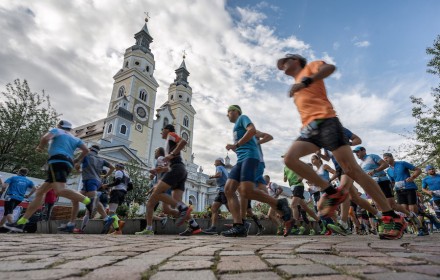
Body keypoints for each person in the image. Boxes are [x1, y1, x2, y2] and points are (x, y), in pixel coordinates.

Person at [277, 53, 406, 240]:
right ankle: (330, 192)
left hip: (326, 121)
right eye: (280, 66)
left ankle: (391, 216)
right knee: (290, 158)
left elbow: (329, 69)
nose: (282, 67)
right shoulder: (295, 84)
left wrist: (306, 82)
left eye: (284, 62)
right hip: (309, 129)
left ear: (296, 60)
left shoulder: (310, 67)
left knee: (352, 169)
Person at [4, 120, 91, 233]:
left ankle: (89, 201)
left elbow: (45, 138)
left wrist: (40, 147)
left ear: (60, 125)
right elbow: (86, 150)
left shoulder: (57, 130)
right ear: (69, 129)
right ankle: (21, 223)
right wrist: (77, 160)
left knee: (60, 190)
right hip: (67, 163)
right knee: (40, 192)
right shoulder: (75, 138)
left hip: (57, 160)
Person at [221, 105, 291, 237]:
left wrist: (238, 144)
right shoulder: (236, 128)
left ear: (235, 111)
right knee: (229, 190)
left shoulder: (243, 118)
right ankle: (239, 225)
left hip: (251, 157)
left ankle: (279, 203)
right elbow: (243, 144)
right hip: (241, 159)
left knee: (245, 191)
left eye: (228, 112)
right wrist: (234, 147)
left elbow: (252, 130)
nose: (227, 115)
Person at [136, 124, 201, 236]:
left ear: (167, 130)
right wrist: (157, 170)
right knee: (175, 200)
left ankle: (182, 208)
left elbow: (183, 141)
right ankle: (194, 226)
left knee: (157, 194)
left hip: (176, 168)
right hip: (181, 170)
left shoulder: (170, 135)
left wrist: (171, 155)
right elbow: (167, 166)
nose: (161, 132)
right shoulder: (168, 144)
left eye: (162, 130)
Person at [70, 145, 115, 233]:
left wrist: (79, 170)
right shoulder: (101, 159)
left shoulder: (85, 155)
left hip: (90, 181)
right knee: (76, 198)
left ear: (90, 149)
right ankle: (72, 223)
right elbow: (112, 167)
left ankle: (106, 219)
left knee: (91, 200)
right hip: (93, 181)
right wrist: (106, 176)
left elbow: (77, 166)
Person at [383, 152, 426, 236]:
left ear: (391, 157)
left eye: (387, 158)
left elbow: (418, 170)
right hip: (399, 190)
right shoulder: (388, 170)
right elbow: (392, 182)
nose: (386, 160)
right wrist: (389, 191)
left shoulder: (402, 163)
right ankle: (415, 227)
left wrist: (412, 177)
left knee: (412, 208)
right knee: (403, 210)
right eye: (384, 159)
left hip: (409, 188)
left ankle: (421, 227)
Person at [100, 163, 130, 234]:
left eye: (115, 166)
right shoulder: (127, 175)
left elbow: (117, 181)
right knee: (112, 212)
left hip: (116, 192)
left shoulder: (118, 172)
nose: (115, 168)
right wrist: (123, 190)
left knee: (111, 212)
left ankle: (118, 226)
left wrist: (107, 185)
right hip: (122, 193)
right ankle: (117, 230)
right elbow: (130, 186)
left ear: (117, 167)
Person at [204, 157, 229, 234]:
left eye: (215, 161)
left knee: (231, 209)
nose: (214, 163)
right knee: (214, 209)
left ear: (219, 162)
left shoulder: (219, 167)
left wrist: (212, 176)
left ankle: (240, 224)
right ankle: (213, 227)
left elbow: (219, 174)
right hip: (221, 190)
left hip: (224, 191)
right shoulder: (225, 169)